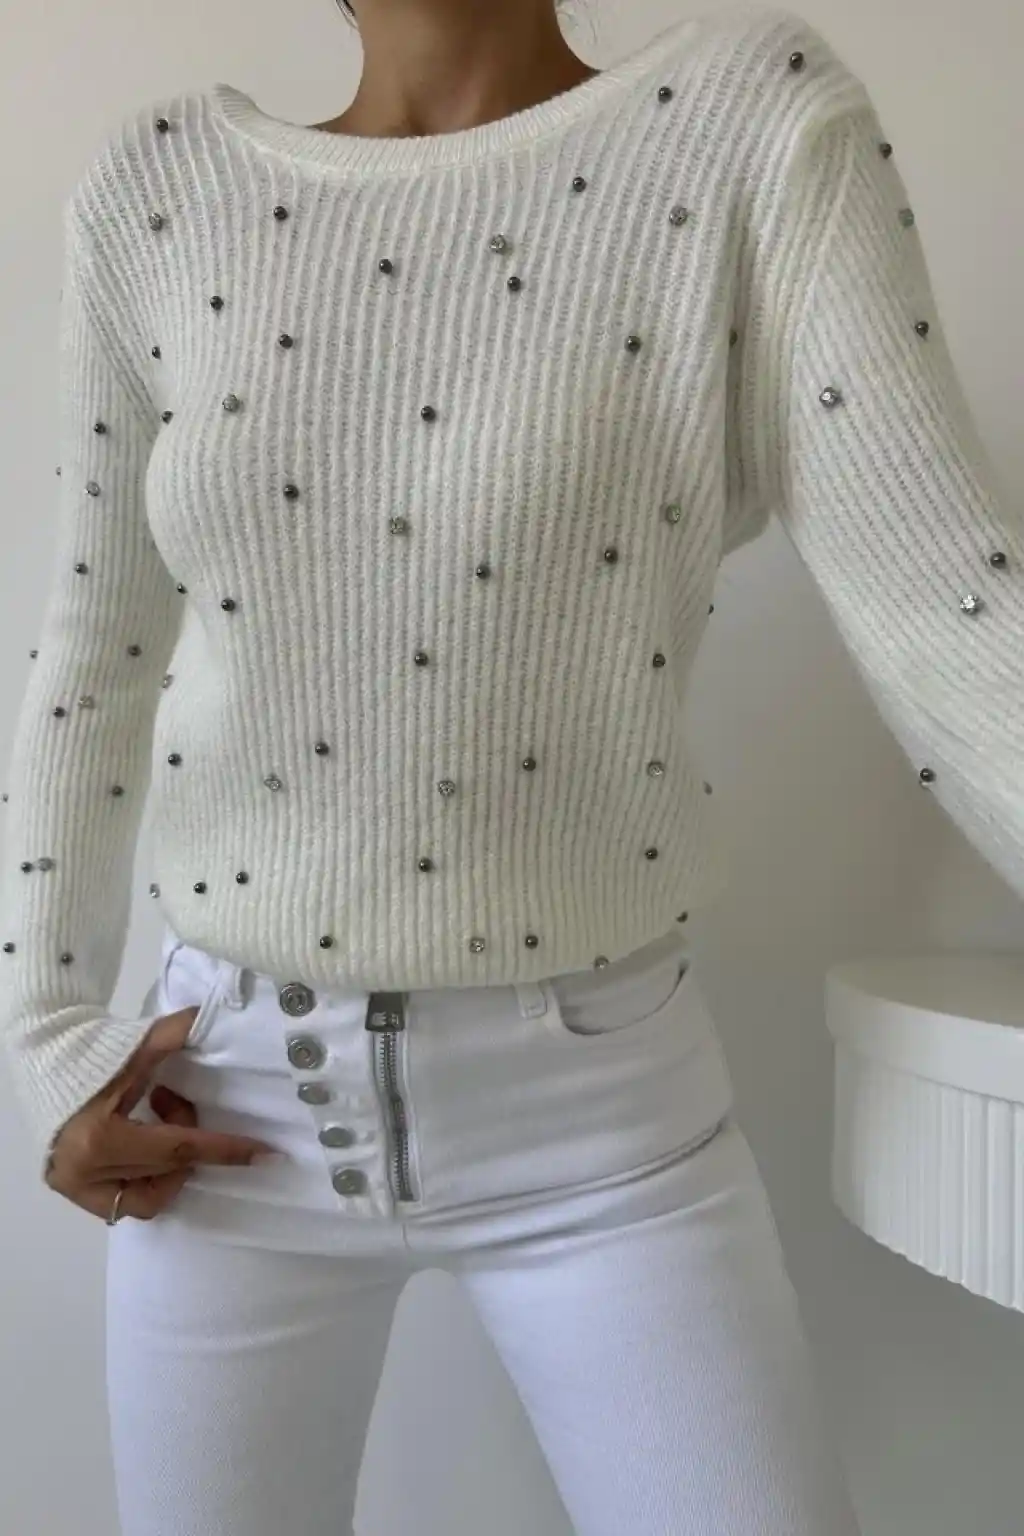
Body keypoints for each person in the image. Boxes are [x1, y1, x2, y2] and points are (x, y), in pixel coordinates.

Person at [2, 0, 1019, 1531]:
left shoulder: (750, 129)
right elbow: (91, 655)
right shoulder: (159, 191)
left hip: (605, 1131)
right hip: (222, 1117)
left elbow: (949, 610)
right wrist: (49, 1040)